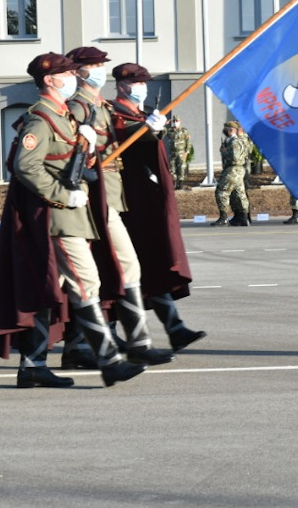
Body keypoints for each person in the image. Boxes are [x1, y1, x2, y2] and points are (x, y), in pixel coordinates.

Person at [0, 52, 145, 388]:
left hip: (73, 214)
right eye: (66, 73)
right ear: (49, 80)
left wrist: (88, 151)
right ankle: (108, 361)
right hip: (58, 216)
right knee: (85, 281)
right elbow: (25, 166)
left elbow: (63, 161)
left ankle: (33, 366)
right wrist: (63, 195)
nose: (73, 78)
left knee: (51, 288)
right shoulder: (40, 119)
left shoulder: (64, 116)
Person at [62, 48, 175, 369]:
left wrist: (148, 128)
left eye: (101, 65)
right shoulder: (78, 106)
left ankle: (116, 344)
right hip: (89, 199)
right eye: (94, 66)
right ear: (79, 71)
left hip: (109, 196)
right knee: (94, 275)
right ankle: (88, 347)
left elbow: (120, 136)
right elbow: (74, 150)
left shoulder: (98, 104)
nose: (99, 70)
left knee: (115, 270)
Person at [108, 61, 207, 353]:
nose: (143, 87)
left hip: (142, 201)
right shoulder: (115, 112)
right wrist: (146, 129)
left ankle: (174, 327)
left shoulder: (136, 114)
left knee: (150, 263)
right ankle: (108, 335)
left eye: (144, 83)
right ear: (123, 86)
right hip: (124, 202)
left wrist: (152, 130)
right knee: (117, 270)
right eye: (138, 83)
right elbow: (119, 137)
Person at [214, 121, 252, 226]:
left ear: (231, 130)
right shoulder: (238, 140)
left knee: (221, 192)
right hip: (238, 170)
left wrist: (224, 152)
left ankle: (223, 217)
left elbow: (236, 158)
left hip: (233, 170)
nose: (225, 131)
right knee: (238, 194)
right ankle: (242, 218)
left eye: (226, 129)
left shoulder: (234, 142)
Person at [163, 114, 191, 189]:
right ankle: (174, 183)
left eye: (177, 121)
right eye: (174, 121)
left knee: (181, 168)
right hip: (173, 153)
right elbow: (162, 130)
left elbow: (188, 141)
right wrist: (166, 123)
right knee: (172, 169)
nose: (176, 122)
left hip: (181, 153)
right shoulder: (170, 131)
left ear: (180, 121)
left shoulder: (184, 131)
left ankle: (180, 183)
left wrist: (187, 152)